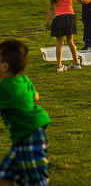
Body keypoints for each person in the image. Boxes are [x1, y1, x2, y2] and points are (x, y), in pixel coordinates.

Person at [0, 39, 51, 185]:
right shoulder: (24, 80)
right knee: (4, 176)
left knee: (36, 180)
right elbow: (36, 96)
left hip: (30, 135)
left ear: (4, 66)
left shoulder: (4, 88)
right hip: (26, 135)